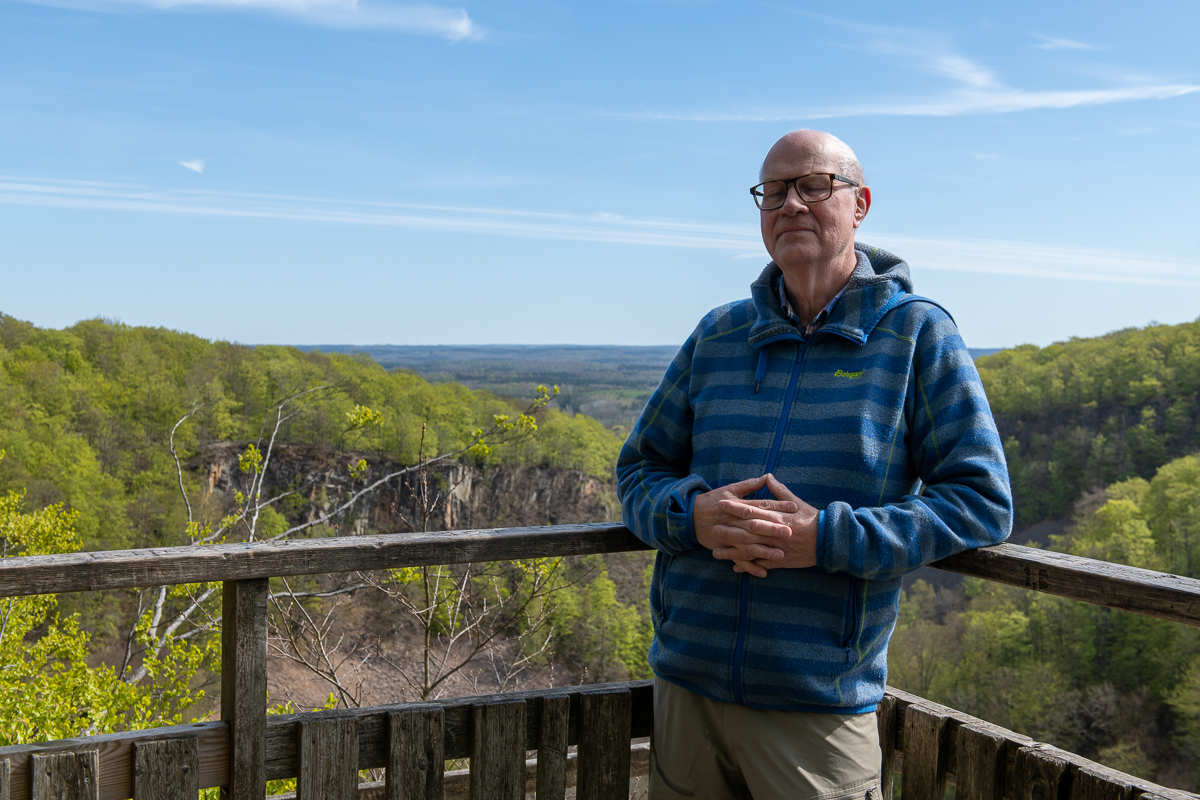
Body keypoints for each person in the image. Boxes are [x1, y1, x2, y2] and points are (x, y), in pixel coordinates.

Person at [615, 130, 1014, 800]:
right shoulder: (718, 335)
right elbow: (639, 471)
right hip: (688, 691)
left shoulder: (916, 334)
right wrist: (691, 516)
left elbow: (981, 501)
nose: (792, 203)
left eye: (814, 185)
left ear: (859, 204)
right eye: (774, 190)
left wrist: (825, 539)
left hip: (817, 708)